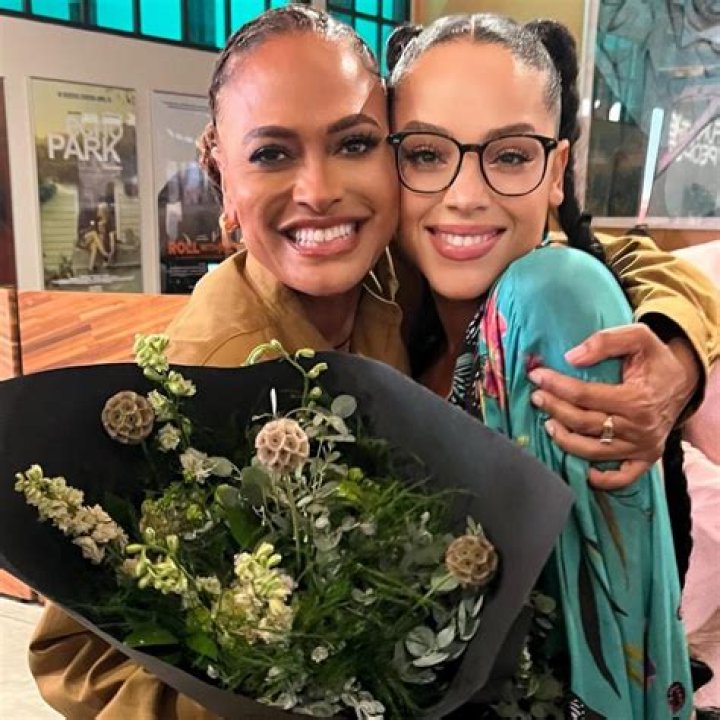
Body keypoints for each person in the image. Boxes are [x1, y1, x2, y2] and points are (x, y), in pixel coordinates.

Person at [28, 7, 718, 720]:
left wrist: (676, 354)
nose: (319, 189)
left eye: (354, 143)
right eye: (271, 154)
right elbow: (74, 656)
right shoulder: (206, 373)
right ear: (222, 181)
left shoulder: (396, 265)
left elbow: (612, 258)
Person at [387, 13, 694, 717]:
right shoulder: (397, 313)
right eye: (427, 154)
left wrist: (680, 358)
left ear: (555, 171)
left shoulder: (553, 301)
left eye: (510, 156)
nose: (466, 194)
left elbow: (615, 647)